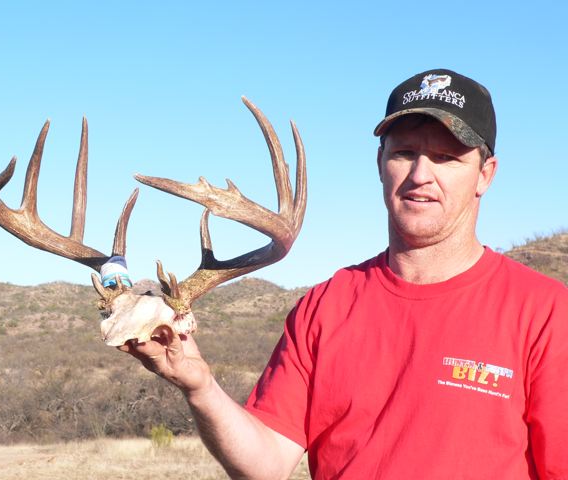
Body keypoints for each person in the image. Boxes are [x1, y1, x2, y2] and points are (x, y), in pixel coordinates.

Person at [119, 69, 568, 479]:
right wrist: (199, 387)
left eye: (446, 158)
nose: (420, 175)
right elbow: (266, 464)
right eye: (404, 153)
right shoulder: (325, 306)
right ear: (380, 163)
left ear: (485, 175)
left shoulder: (545, 311)